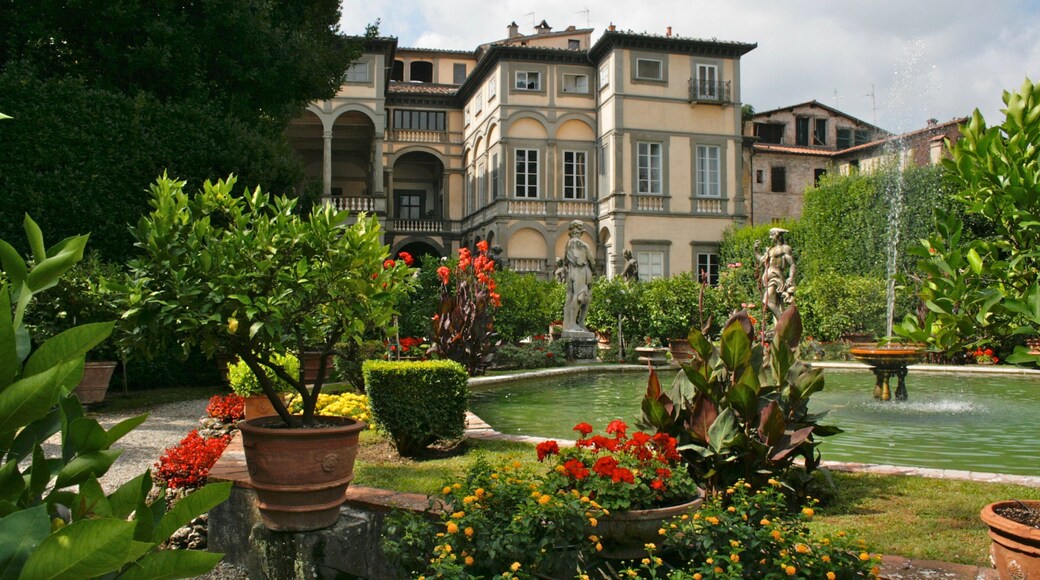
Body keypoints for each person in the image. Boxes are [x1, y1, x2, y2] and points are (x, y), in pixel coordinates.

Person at [755, 227, 796, 322]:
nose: (770, 237)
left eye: (772, 235)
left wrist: (791, 277)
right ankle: (780, 325)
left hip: (776, 277)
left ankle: (782, 321)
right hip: (768, 279)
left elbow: (792, 264)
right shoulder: (770, 250)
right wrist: (756, 250)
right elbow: (761, 259)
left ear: (777, 235)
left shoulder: (784, 248)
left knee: (766, 301)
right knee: (776, 303)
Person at [563, 221, 595, 332]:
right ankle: (574, 323)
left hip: (573, 271)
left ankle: (576, 323)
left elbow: (565, 260)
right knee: (581, 297)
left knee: (575, 296)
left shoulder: (568, 244)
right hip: (582, 271)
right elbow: (592, 261)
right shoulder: (583, 245)